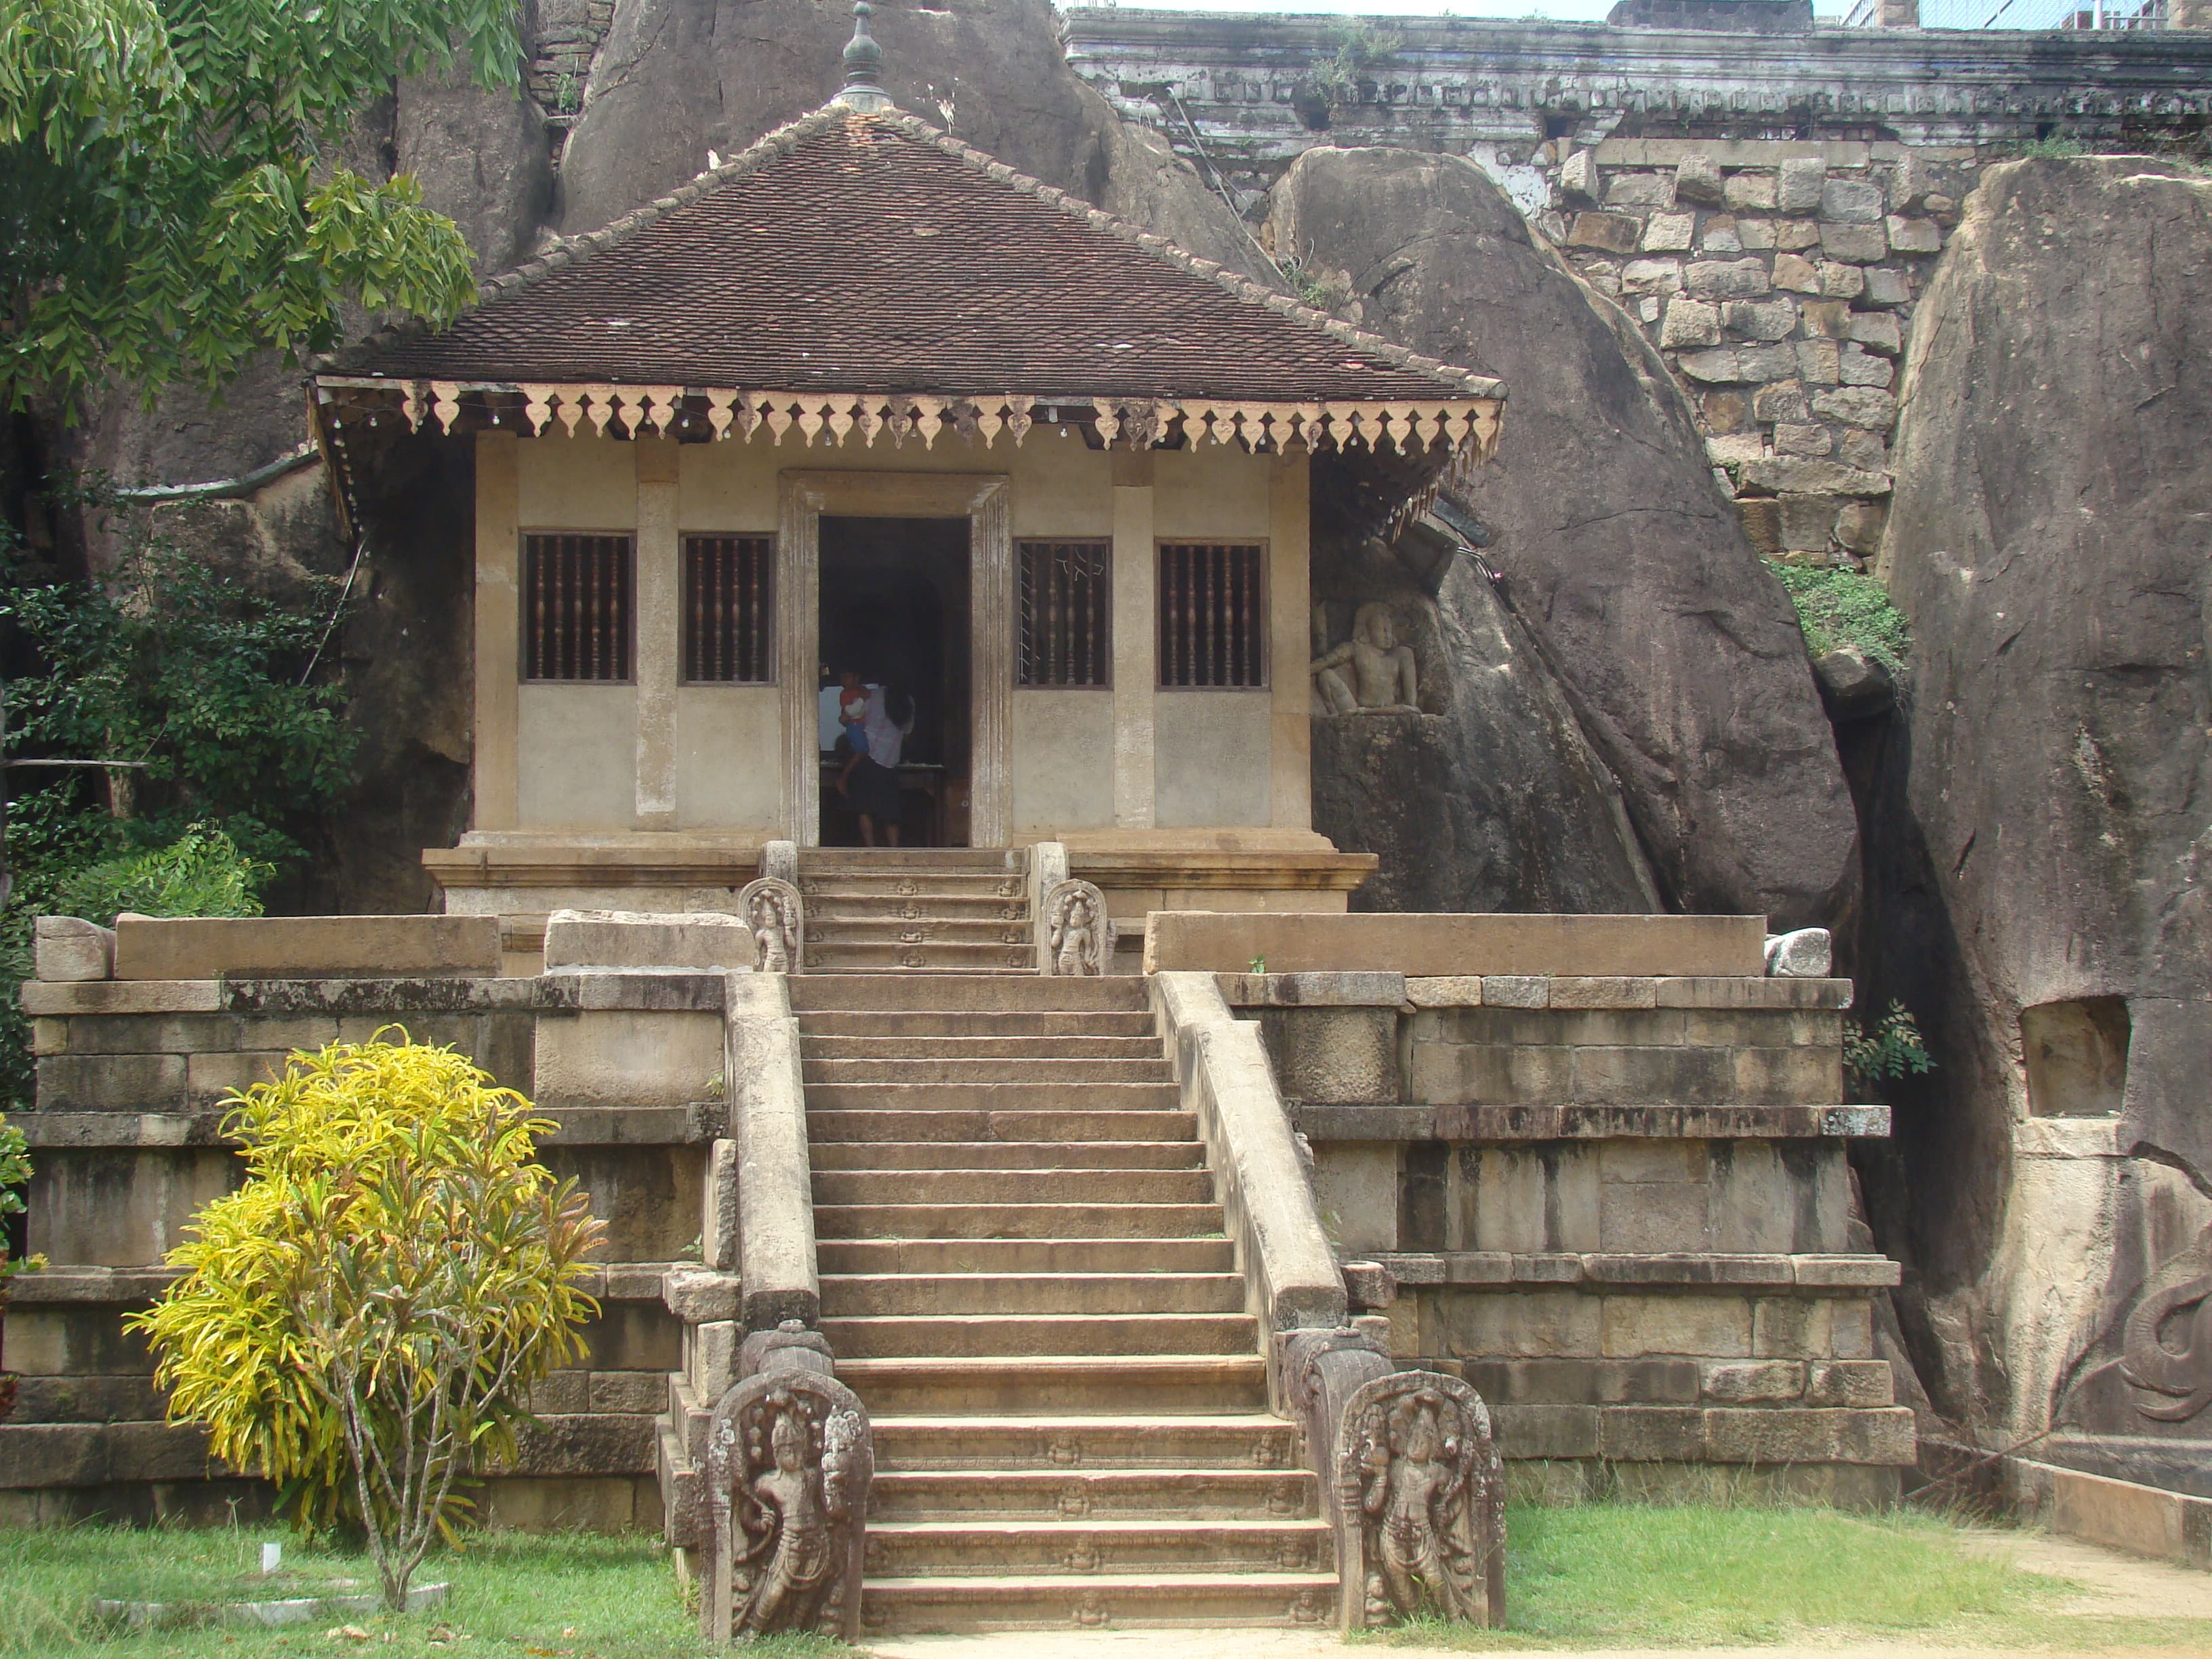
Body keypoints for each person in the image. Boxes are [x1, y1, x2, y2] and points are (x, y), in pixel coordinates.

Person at [837, 682, 914, 846]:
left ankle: (870, 849)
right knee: (891, 813)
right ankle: (894, 851)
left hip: (868, 757)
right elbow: (907, 735)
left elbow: (848, 718)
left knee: (864, 808)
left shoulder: (871, 696)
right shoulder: (908, 701)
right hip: (891, 761)